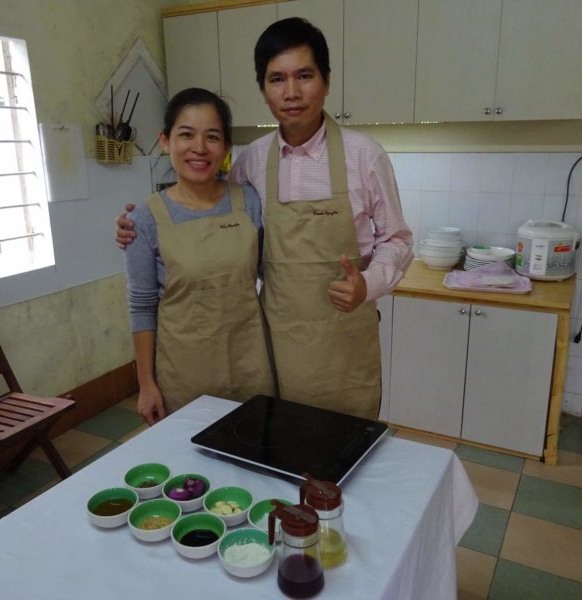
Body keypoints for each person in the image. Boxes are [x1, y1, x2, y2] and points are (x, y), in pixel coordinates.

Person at [118, 19, 412, 420]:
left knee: (342, 458)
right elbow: (216, 214)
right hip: (275, 351)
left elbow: (397, 239)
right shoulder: (251, 162)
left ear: (326, 81)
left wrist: (368, 284)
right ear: (263, 89)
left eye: (304, 76)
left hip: (344, 345)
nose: (291, 92)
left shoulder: (365, 156)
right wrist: (140, 225)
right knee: (280, 452)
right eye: (277, 79)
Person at [124, 87, 274, 425]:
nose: (199, 148)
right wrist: (146, 384)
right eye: (186, 135)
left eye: (212, 136)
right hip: (184, 377)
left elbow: (271, 272)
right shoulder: (144, 220)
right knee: (192, 475)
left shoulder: (249, 201)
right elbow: (142, 306)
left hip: (249, 365)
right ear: (165, 141)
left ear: (226, 147)